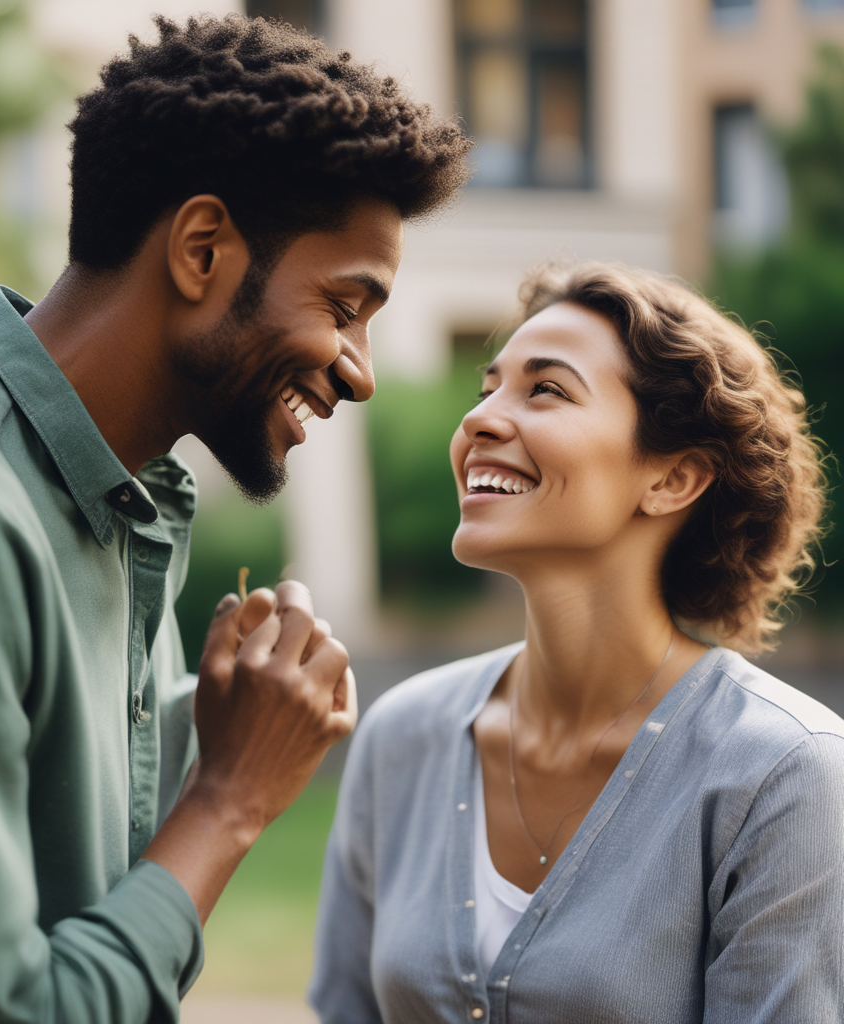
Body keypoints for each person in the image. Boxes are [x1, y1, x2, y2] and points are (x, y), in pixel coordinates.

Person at [0, 14, 471, 1023]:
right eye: (344, 307)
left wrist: (215, 728)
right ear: (202, 248)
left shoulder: (125, 508)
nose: (361, 372)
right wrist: (230, 798)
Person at [309, 262, 844, 1023]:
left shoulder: (784, 774)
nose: (481, 420)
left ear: (673, 478)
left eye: (546, 389)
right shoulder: (403, 735)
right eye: (486, 388)